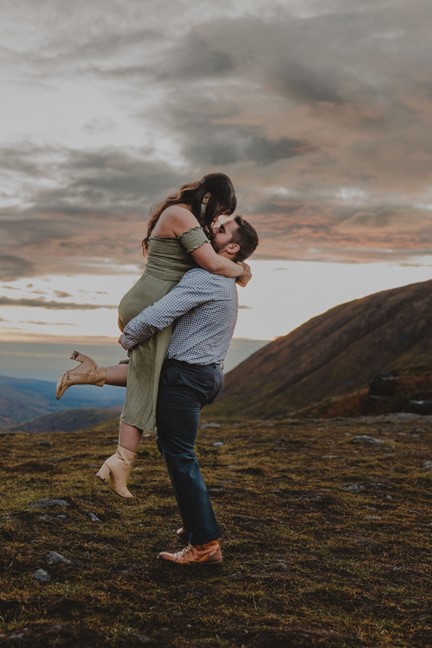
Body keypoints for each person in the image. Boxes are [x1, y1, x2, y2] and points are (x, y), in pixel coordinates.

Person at [55, 173, 251, 498]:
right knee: (146, 384)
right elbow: (213, 265)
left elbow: (212, 263)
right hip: (149, 306)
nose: (216, 219)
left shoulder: (186, 217)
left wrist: (235, 267)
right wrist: (241, 270)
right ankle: (121, 462)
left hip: (154, 303)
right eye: (217, 212)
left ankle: (91, 376)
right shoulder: (180, 215)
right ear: (207, 199)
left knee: (153, 374)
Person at [118, 215, 259, 565]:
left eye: (222, 229)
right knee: (176, 453)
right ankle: (197, 523)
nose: (212, 229)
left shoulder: (206, 277)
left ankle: (206, 545)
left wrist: (127, 337)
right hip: (204, 375)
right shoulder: (222, 274)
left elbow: (157, 315)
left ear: (231, 248)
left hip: (185, 377)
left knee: (180, 457)